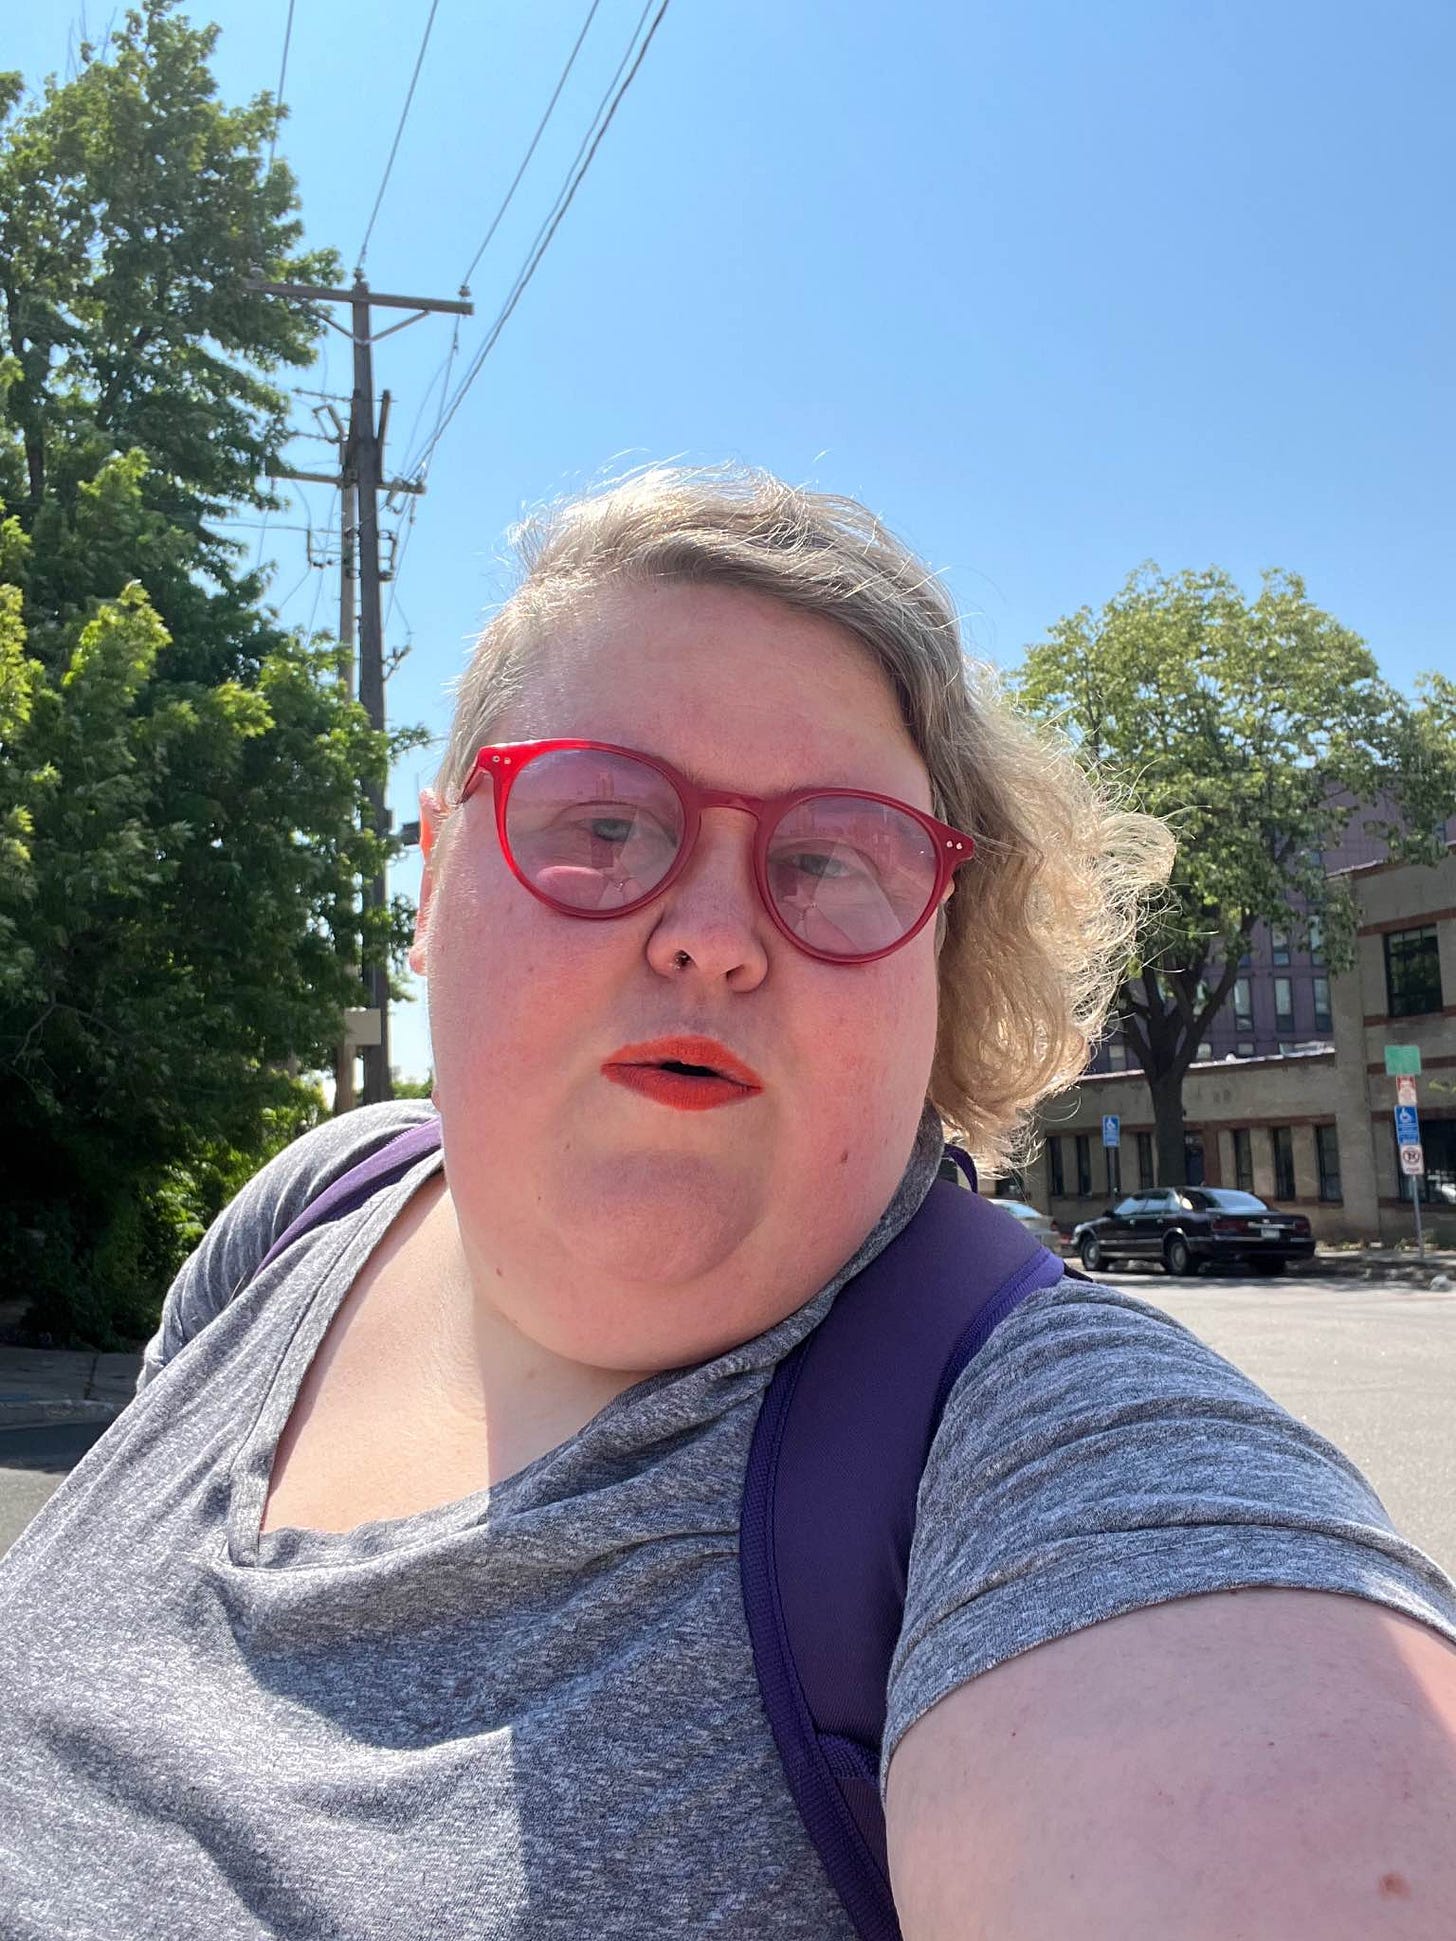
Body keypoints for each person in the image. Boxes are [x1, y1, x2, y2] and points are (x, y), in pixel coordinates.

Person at [2, 465, 1454, 1939]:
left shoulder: (1062, 1458)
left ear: (938, 961)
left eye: (829, 860)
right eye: (604, 826)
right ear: (435, 877)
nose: (709, 936)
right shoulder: (317, 1206)